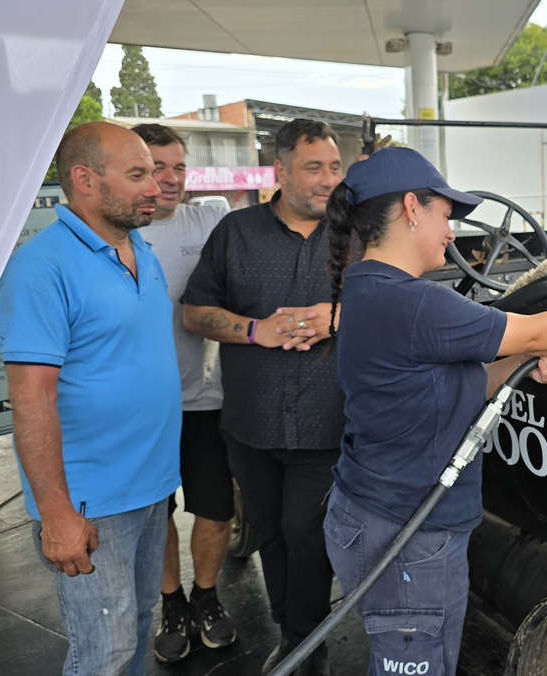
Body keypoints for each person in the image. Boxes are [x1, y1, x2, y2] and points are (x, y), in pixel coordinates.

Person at [321, 147, 547, 676]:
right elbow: (532, 328)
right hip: (407, 534)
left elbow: (460, 381)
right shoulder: (411, 302)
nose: (452, 232)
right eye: (445, 214)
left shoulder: (370, 290)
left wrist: (524, 365)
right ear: (412, 207)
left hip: (372, 514)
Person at [0, 121, 178, 676]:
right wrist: (56, 515)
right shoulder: (40, 268)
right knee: (105, 654)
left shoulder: (139, 247)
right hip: (91, 503)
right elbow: (31, 399)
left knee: (139, 625)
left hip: (149, 488)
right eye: (139, 174)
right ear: (85, 179)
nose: (158, 185)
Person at [180, 118, 345, 675]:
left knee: (308, 532)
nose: (328, 179)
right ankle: (289, 629)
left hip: (327, 425)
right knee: (270, 530)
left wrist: (337, 316)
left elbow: (401, 298)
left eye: (335, 166)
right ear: (281, 171)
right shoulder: (236, 232)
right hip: (250, 425)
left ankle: (306, 643)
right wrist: (256, 330)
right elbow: (194, 311)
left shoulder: (358, 236)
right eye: (314, 167)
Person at [131, 123, 237, 663]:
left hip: (208, 399)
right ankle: (172, 601)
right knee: (158, 513)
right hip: (146, 407)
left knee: (216, 510)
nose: (169, 179)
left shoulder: (212, 215)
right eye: (155, 167)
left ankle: (207, 596)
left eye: (178, 167)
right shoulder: (120, 234)